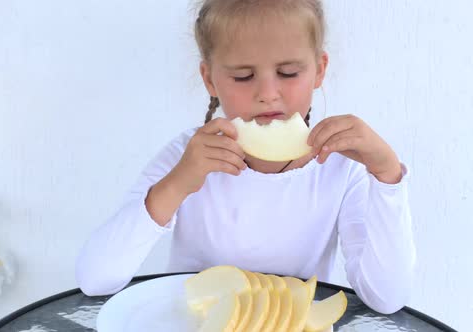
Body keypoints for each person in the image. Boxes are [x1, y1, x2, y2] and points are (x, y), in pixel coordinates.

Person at [76, 0, 416, 314]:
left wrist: (387, 175)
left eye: (288, 73)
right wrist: (179, 182)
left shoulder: (342, 167)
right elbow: (96, 279)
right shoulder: (186, 157)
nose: (268, 94)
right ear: (210, 78)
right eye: (243, 76)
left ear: (319, 70)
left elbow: (387, 298)